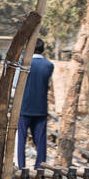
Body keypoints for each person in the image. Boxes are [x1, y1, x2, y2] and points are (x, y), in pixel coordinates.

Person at [17, 39, 55, 169]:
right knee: (40, 140)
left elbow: (16, 85)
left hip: (24, 106)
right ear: (43, 49)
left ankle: (21, 167)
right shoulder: (49, 65)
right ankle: (40, 168)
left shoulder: (24, 64)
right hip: (41, 107)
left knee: (21, 139)